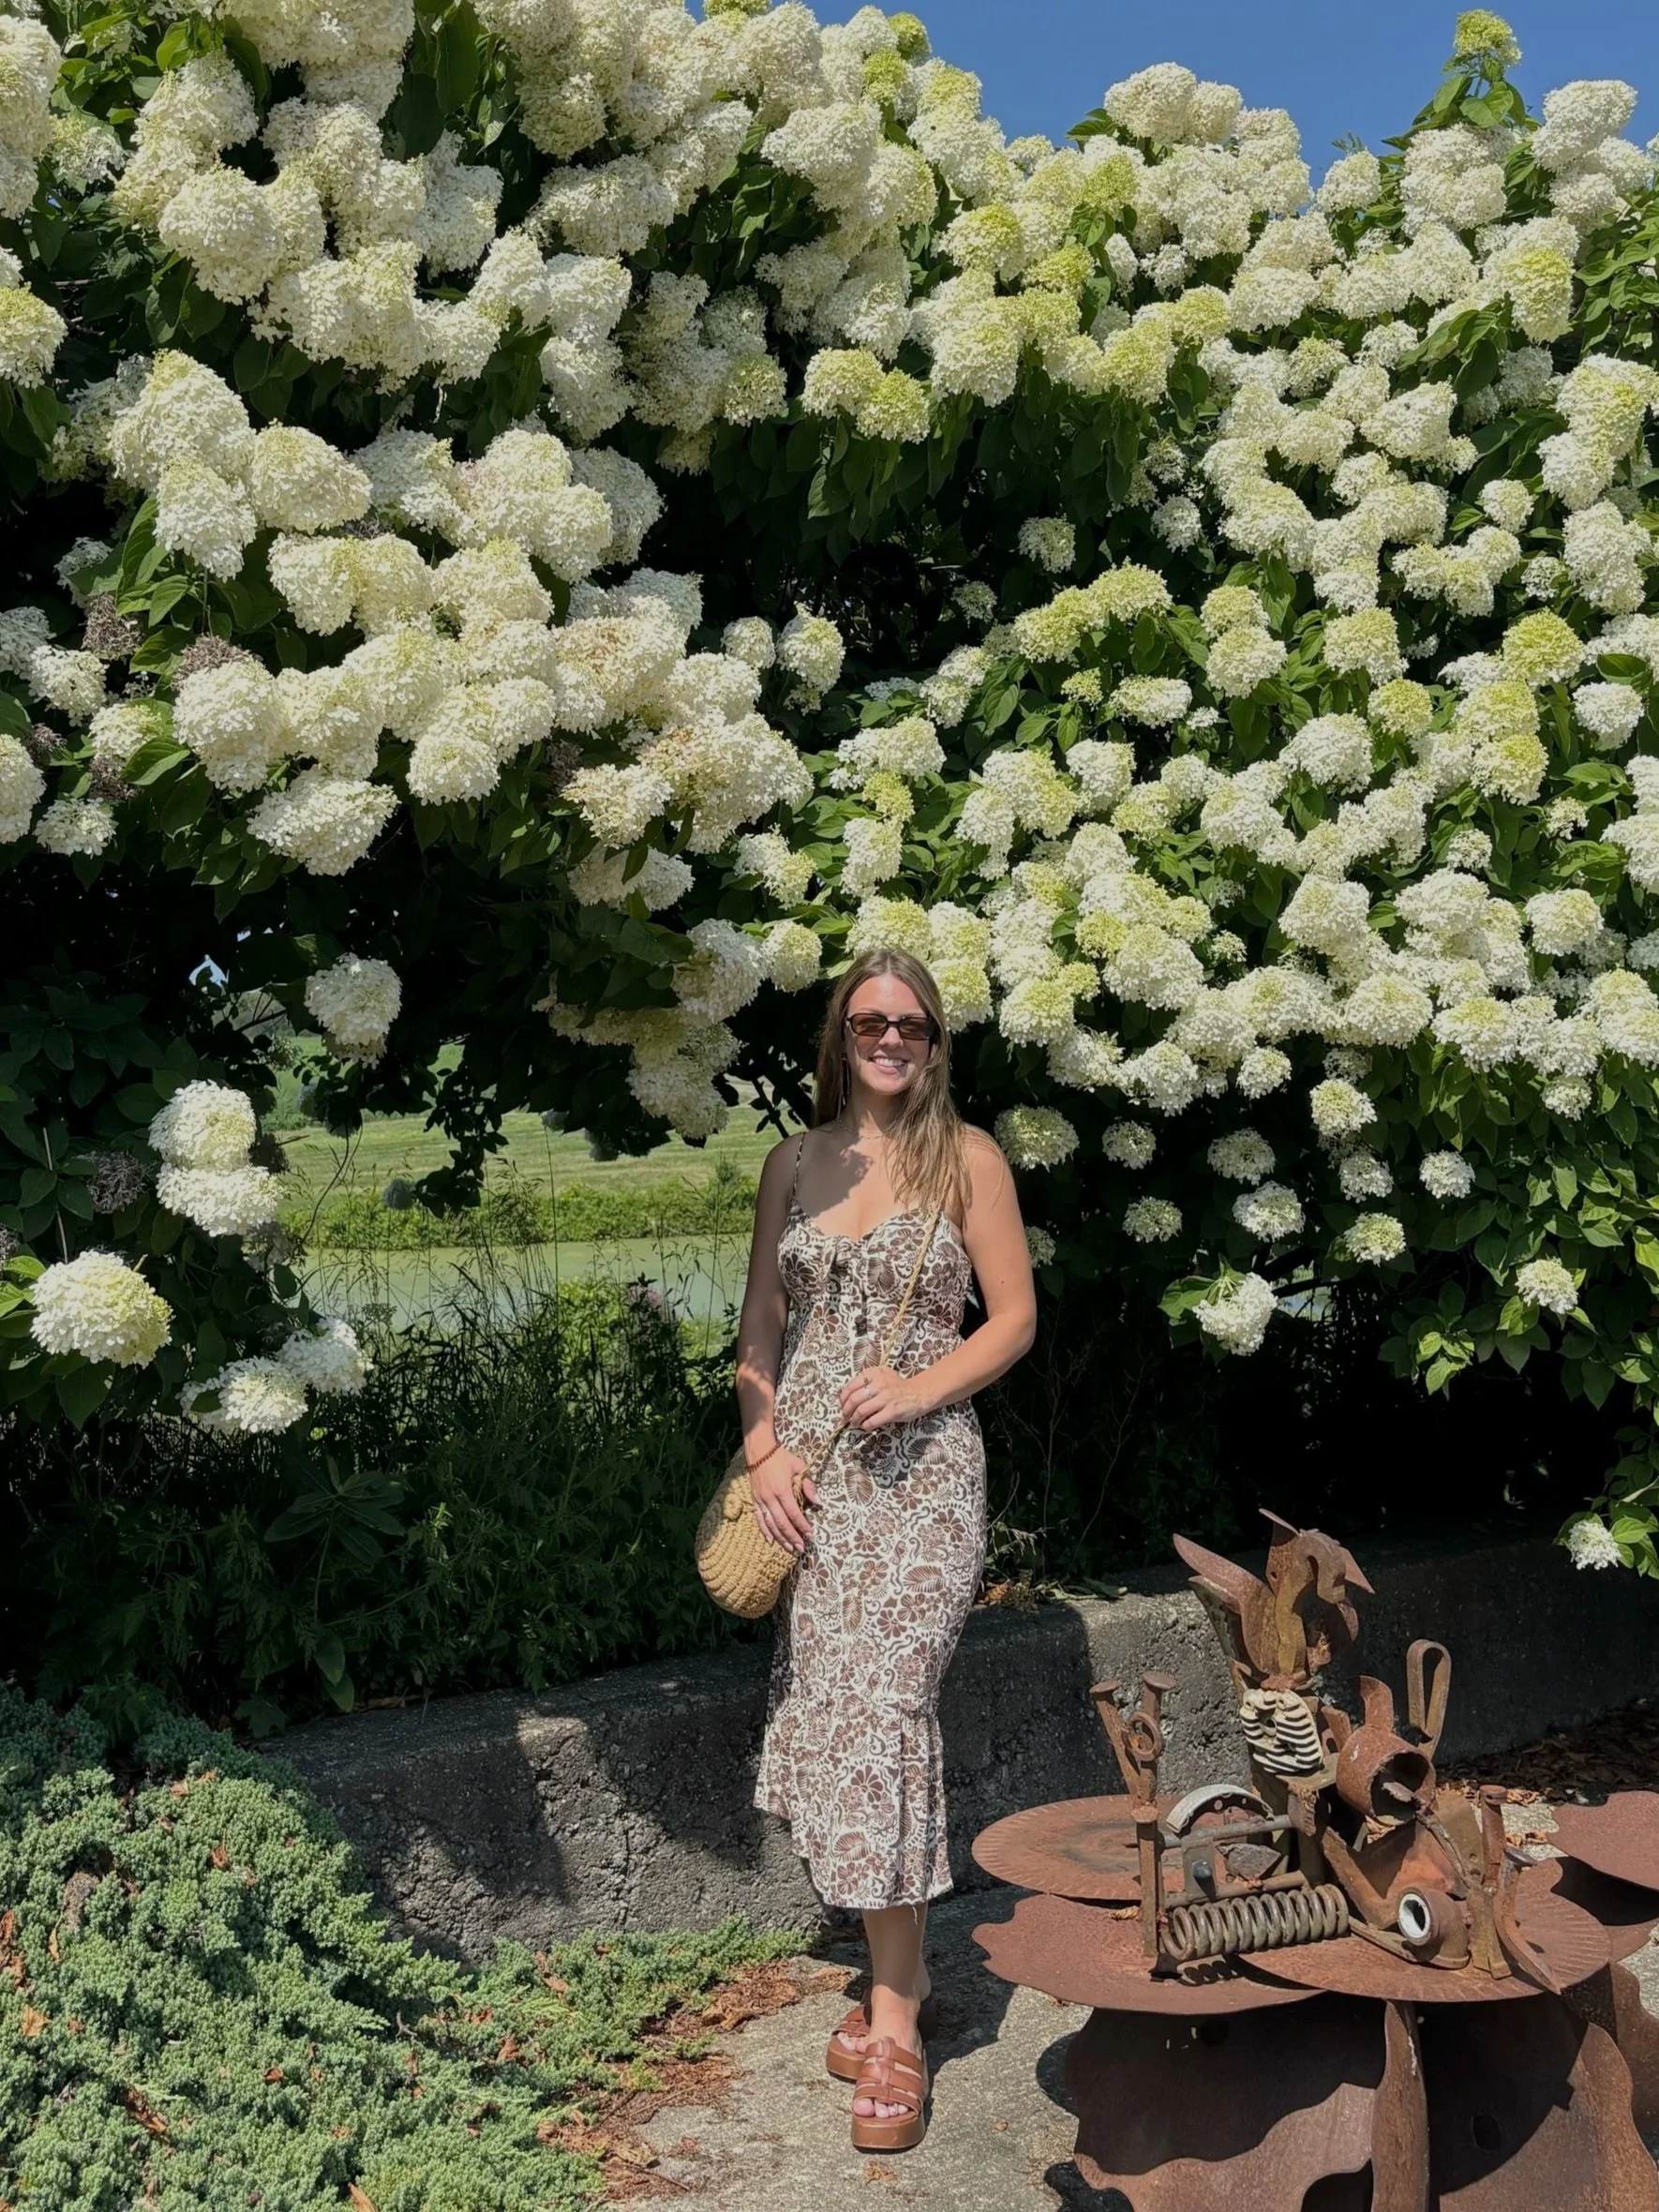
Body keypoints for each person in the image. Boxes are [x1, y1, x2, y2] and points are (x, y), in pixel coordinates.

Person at [735, 946, 1037, 2155]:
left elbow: (1012, 1320)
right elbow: (761, 1322)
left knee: (885, 1714)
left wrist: (915, 1391)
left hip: (923, 1482)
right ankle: (889, 1978)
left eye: (913, 1024)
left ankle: (900, 2028)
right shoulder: (792, 1163)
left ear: (936, 1040)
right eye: (871, 1020)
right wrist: (762, 1449)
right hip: (808, 1482)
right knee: (830, 1710)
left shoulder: (967, 1162)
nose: (892, 1039)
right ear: (840, 1033)